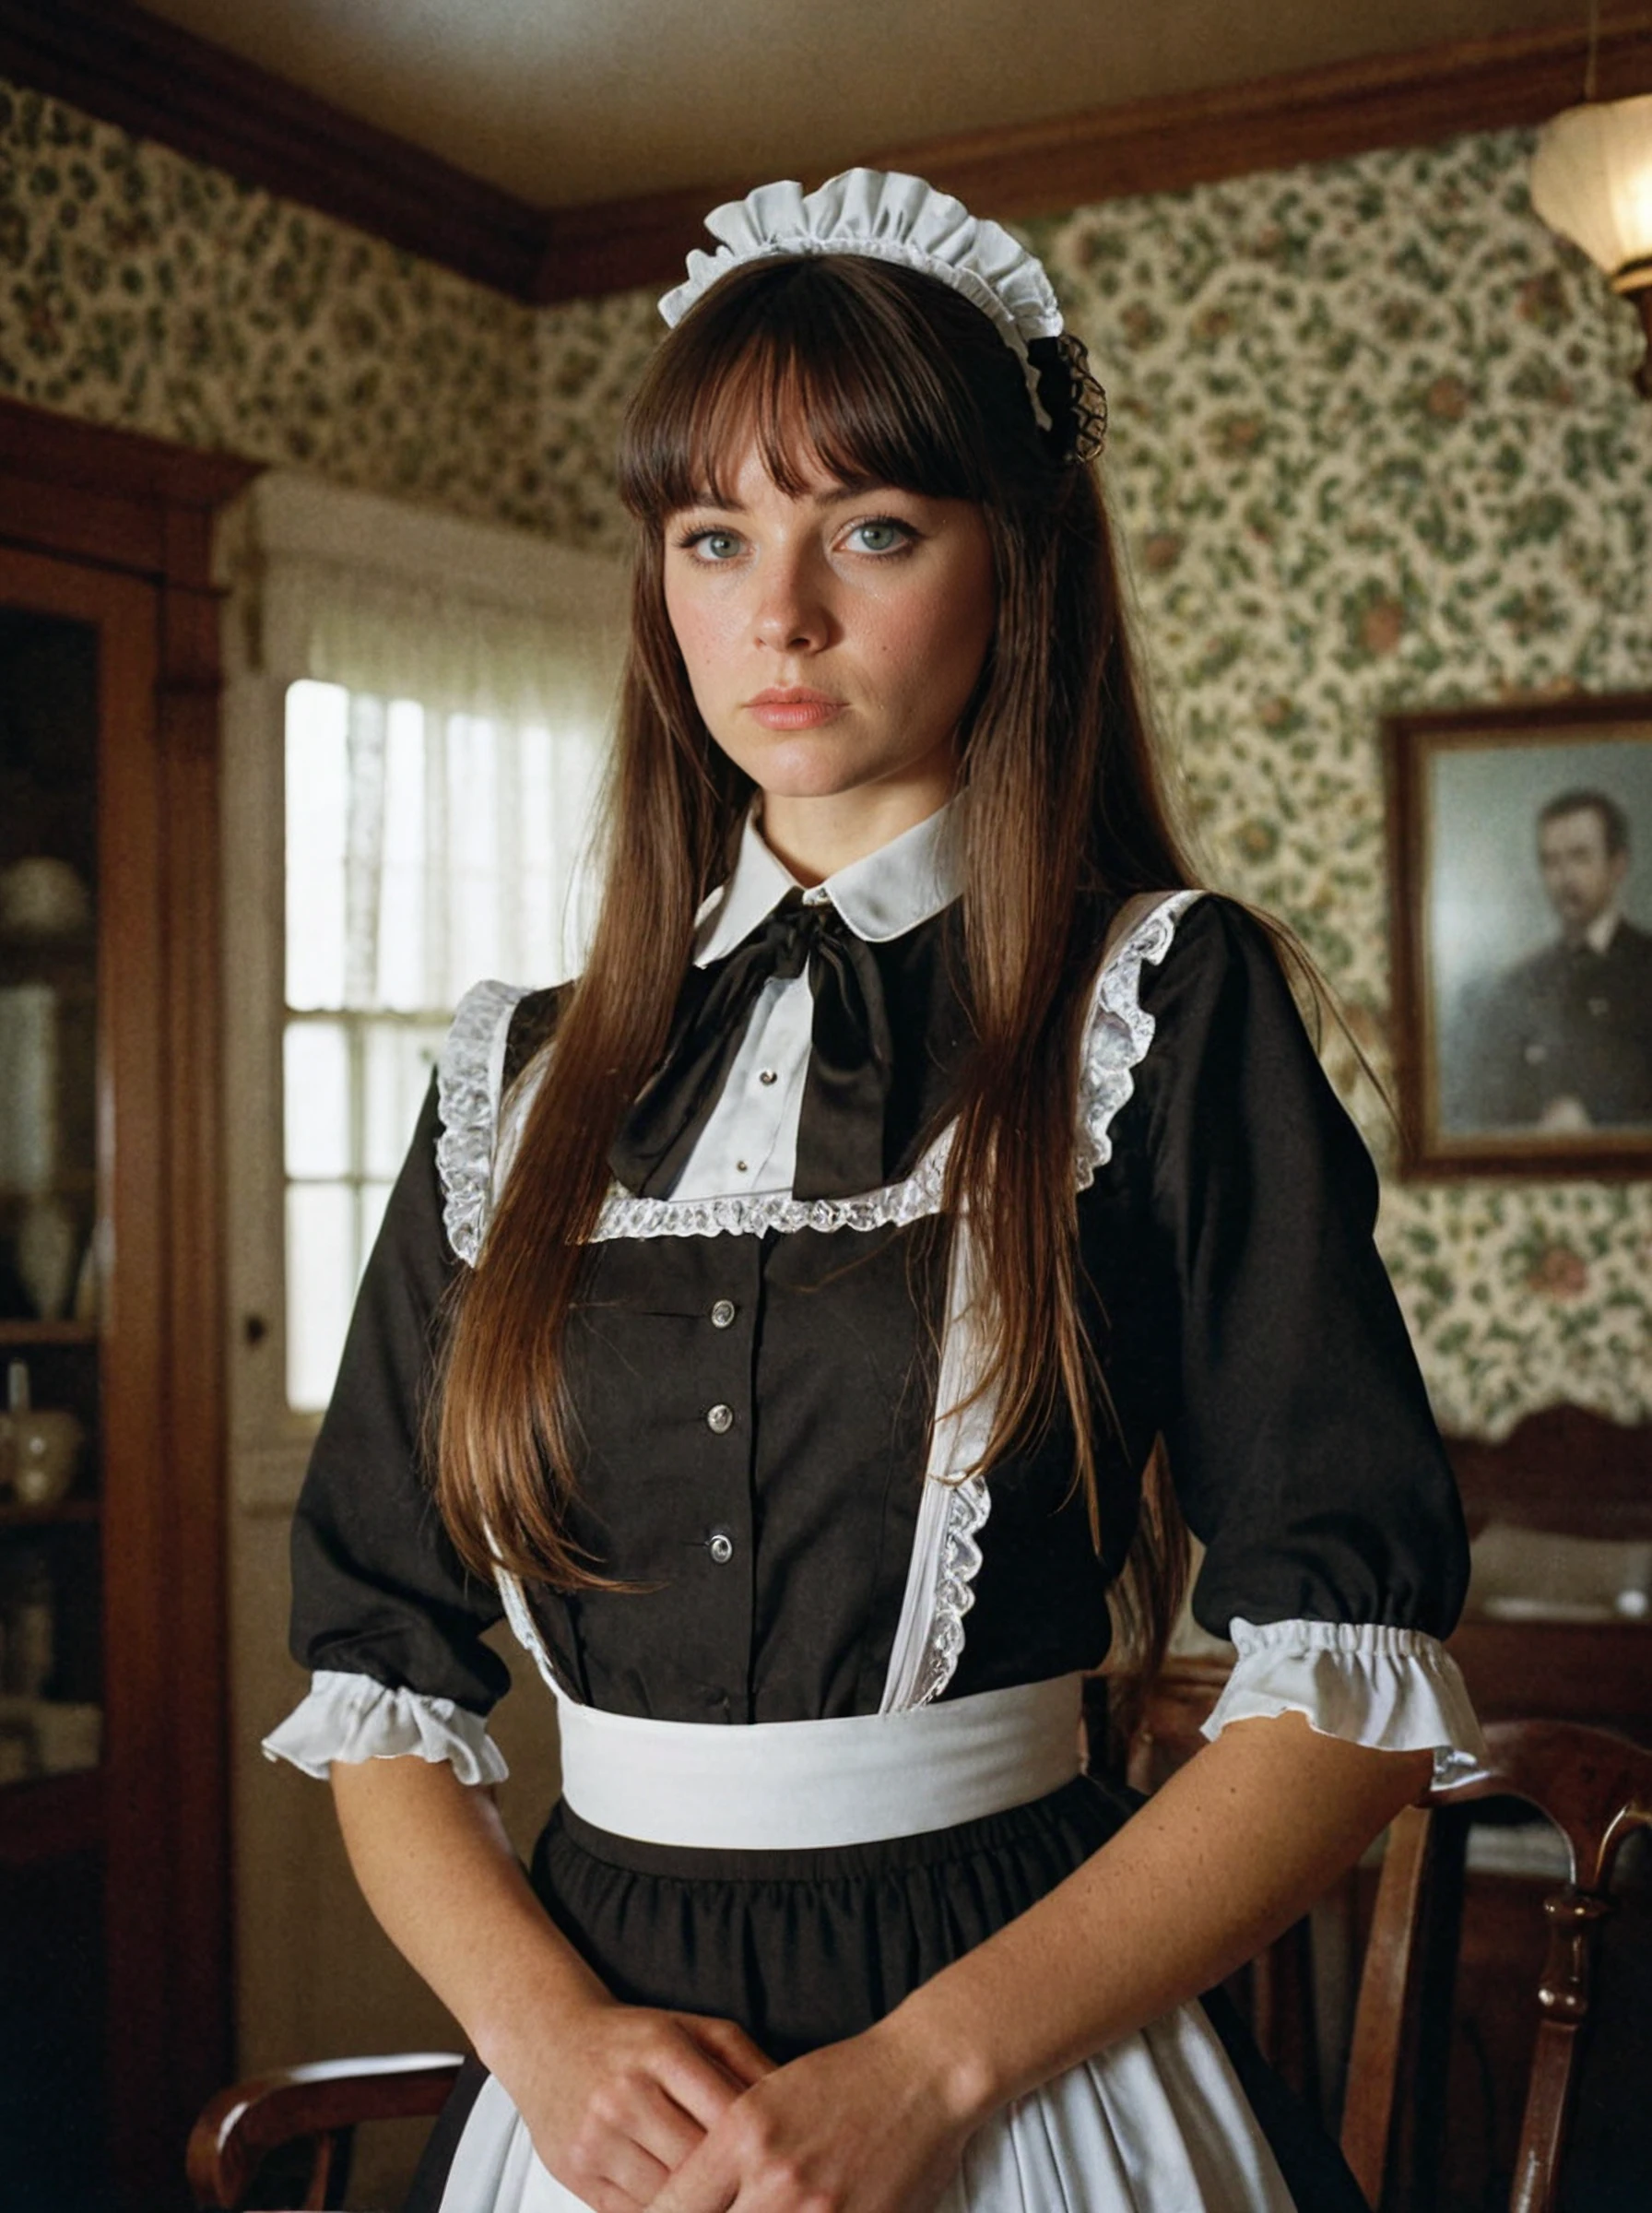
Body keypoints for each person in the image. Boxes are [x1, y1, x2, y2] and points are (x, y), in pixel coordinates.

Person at [264, 170, 1484, 2213]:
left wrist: (923, 2074)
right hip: (595, 2109)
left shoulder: (1160, 1006)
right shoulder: (518, 1076)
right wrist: (538, 2040)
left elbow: (1344, 1685)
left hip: (1014, 2070)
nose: (780, 615)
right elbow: (378, 1681)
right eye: (715, 536)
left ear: (1014, 572)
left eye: (875, 530)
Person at [1448, 788, 1652, 1132]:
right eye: (1551, 861)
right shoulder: (1520, 982)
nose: (1564, 878)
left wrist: (1597, 1115)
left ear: (1618, 865)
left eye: (1580, 857)